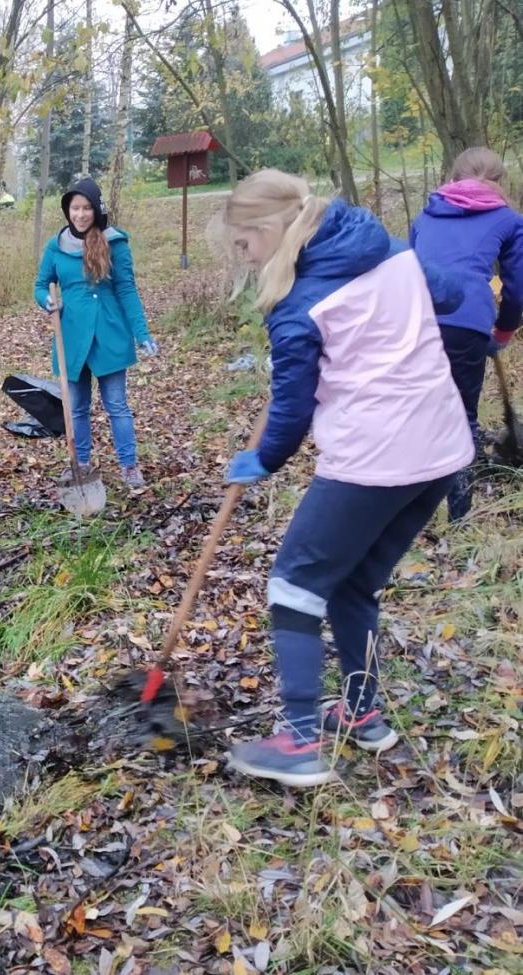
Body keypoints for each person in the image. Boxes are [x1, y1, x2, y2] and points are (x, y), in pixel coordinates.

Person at [221, 170, 471, 788]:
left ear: (271, 229)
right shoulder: (383, 249)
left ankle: (299, 741)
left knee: (295, 585)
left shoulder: (297, 304)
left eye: (242, 242)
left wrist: (265, 459)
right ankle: (363, 714)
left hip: (376, 458)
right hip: (439, 452)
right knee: (354, 583)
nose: (239, 254)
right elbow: (449, 294)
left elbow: (291, 408)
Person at [410, 147, 523, 520]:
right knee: (462, 418)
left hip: (415, 322)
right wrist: (504, 329)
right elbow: (518, 286)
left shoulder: (425, 216)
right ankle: (460, 519)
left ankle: (407, 511)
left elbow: (409, 273)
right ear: (499, 181)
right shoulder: (508, 220)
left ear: (454, 177)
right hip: (466, 324)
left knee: (420, 412)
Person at [33, 177, 157, 489]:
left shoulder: (114, 242)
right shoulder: (56, 246)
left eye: (87, 207)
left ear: (96, 209)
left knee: (117, 405)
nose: (80, 214)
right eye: (75, 208)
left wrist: (141, 333)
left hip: (109, 335)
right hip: (72, 338)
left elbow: (127, 290)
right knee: (76, 408)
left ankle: (129, 466)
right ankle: (82, 463)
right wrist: (46, 300)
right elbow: (40, 283)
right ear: (68, 210)